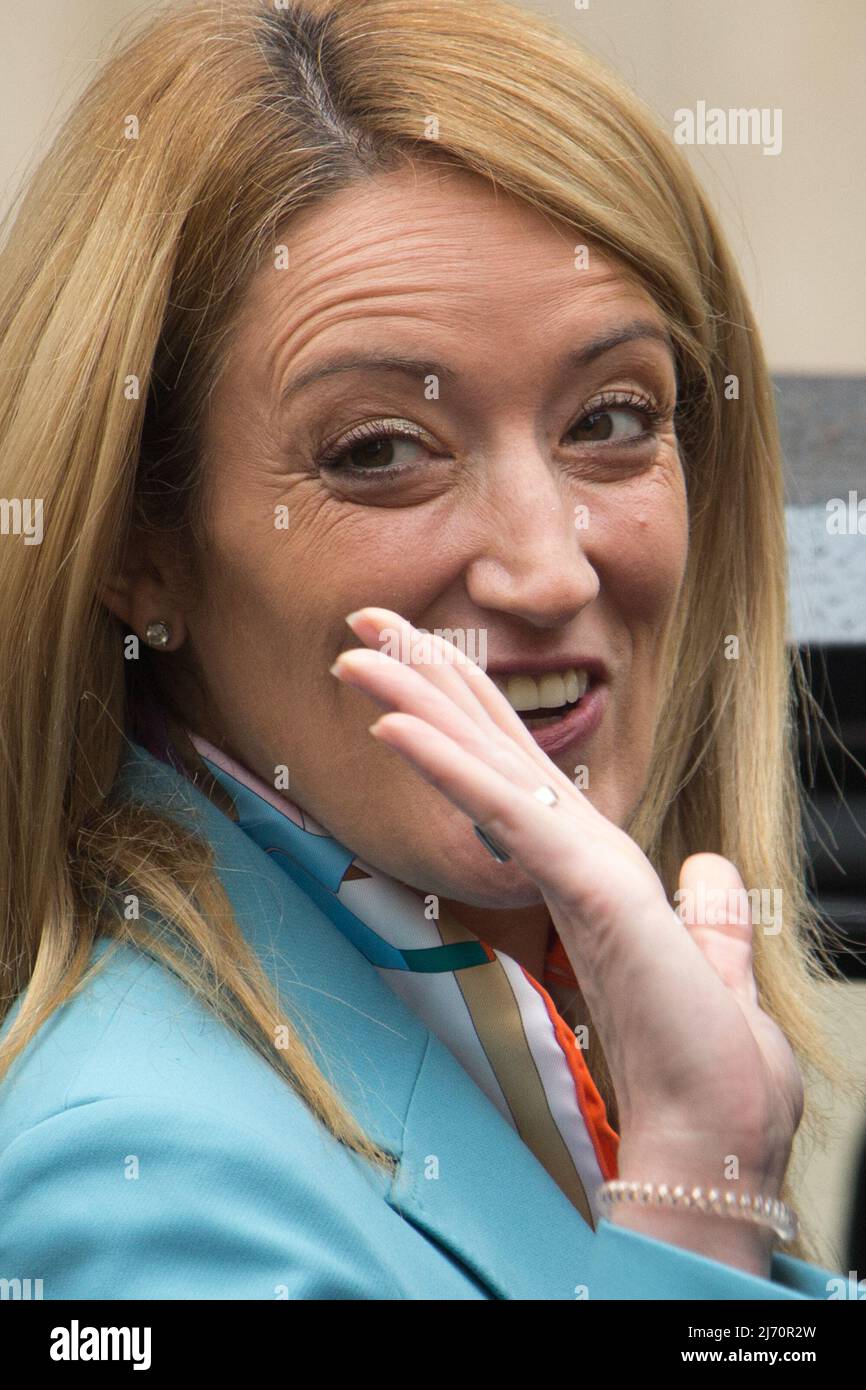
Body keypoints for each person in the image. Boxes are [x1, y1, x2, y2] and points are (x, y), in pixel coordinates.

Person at [0, 0, 857, 1299]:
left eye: (612, 417)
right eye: (379, 450)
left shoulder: (531, 999)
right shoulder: (141, 1178)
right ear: (137, 548)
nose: (550, 566)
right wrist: (694, 1197)